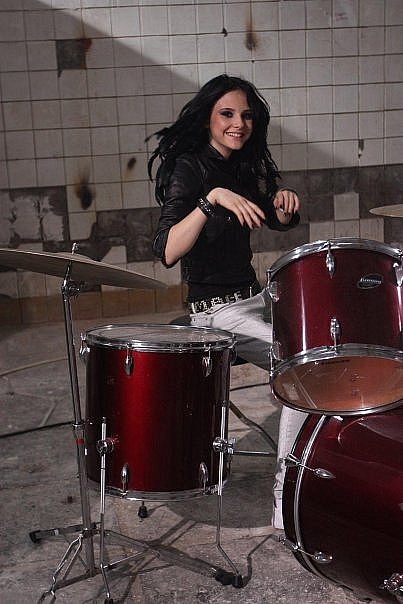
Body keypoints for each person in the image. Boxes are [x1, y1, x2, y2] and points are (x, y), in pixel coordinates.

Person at [148, 74, 307, 529]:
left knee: (321, 350)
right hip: (215, 314)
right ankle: (287, 504)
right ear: (207, 119)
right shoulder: (190, 167)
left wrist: (282, 207)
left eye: (246, 116)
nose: (239, 124)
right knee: (299, 372)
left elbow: (268, 217)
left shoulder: (242, 166)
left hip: (254, 298)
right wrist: (210, 200)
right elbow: (166, 250)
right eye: (227, 114)